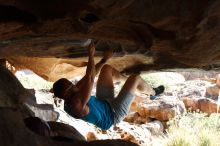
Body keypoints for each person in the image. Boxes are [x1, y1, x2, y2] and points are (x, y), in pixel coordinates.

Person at [53, 43, 164, 130]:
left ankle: (131, 85)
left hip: (103, 102)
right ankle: (153, 93)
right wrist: (91, 54)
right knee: (135, 78)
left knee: (106, 69)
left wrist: (104, 60)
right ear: (66, 93)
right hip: (113, 114)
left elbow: (92, 75)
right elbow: (90, 79)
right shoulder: (76, 104)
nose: (74, 85)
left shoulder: (70, 93)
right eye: (70, 85)